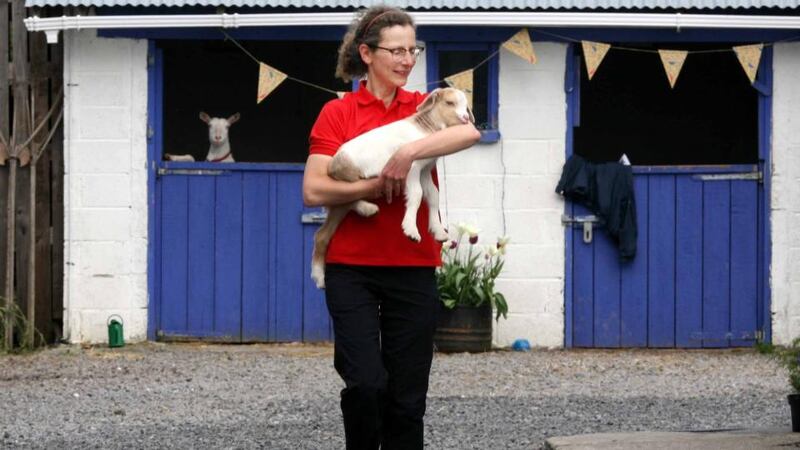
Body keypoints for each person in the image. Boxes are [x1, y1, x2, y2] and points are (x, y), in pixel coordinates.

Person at [302, 6, 481, 449]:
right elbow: (314, 189)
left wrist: (408, 153)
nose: (407, 59)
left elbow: (469, 134)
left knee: (407, 399)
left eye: (412, 50)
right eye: (396, 50)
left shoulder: (427, 105)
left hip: (413, 265)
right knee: (365, 384)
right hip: (352, 268)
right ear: (366, 53)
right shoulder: (338, 112)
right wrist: (374, 184)